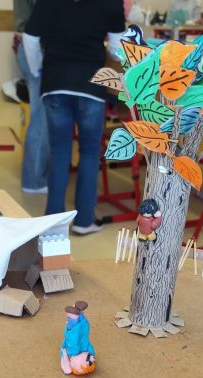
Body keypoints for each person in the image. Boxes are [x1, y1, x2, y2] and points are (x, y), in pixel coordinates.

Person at [24, 0, 125, 236]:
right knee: (89, 153)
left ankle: (53, 222)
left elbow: (29, 38)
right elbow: (118, 49)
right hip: (92, 85)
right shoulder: (111, 2)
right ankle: (84, 220)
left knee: (59, 152)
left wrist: (37, 70)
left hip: (55, 82)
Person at [14, 0, 49, 194]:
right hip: (35, 49)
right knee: (41, 116)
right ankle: (34, 180)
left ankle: (37, 176)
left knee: (42, 115)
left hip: (33, 47)